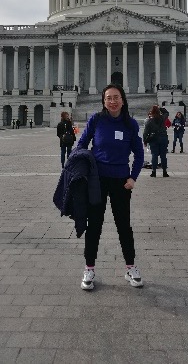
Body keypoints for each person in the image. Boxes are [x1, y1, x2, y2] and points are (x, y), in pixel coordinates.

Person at [76, 84, 144, 290]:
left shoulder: (130, 124)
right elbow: (81, 145)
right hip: (97, 181)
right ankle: (89, 268)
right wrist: (82, 169)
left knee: (124, 225)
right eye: (109, 98)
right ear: (104, 101)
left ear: (123, 100)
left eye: (116, 97)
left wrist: (133, 177)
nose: (113, 101)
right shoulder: (96, 120)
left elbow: (139, 153)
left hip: (121, 181)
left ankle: (131, 267)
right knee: (94, 225)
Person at [143, 105, 169, 178]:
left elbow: (145, 132)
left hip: (154, 139)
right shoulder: (162, 118)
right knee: (163, 156)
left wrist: (145, 141)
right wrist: (160, 108)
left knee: (154, 155)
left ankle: (153, 172)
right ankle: (164, 172)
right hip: (163, 138)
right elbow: (166, 112)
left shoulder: (149, 121)